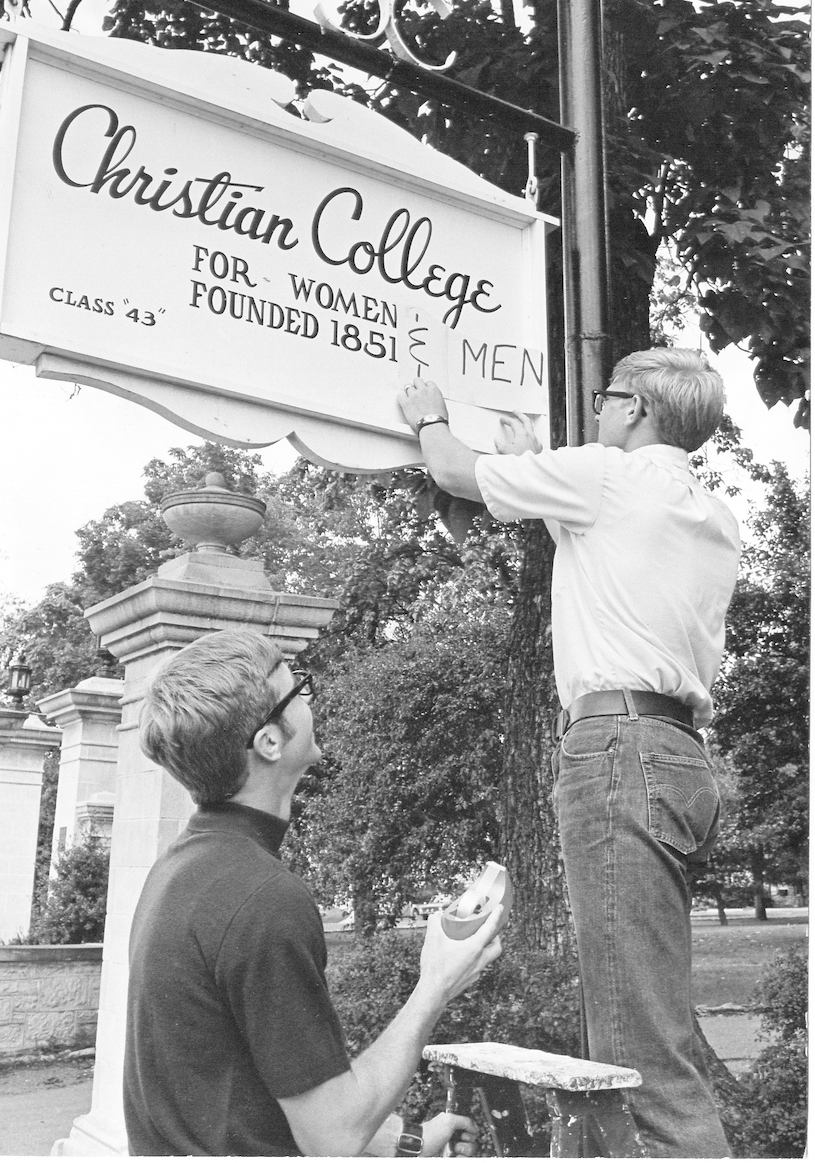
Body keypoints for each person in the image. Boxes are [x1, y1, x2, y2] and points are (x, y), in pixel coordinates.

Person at [397, 347, 740, 1158]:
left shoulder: (605, 477)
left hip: (618, 751)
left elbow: (450, 471)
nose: (595, 409)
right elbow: (598, 548)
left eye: (605, 398)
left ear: (636, 409)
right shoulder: (706, 513)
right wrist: (531, 467)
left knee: (637, 1055)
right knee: (647, 1018)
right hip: (679, 758)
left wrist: (429, 414)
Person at [123, 628, 504, 1157]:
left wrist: (406, 1140)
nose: (308, 697)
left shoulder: (182, 870)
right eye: (297, 689)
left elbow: (249, 1090)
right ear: (269, 741)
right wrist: (436, 983)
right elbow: (333, 1136)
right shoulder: (262, 898)